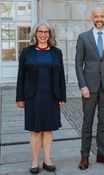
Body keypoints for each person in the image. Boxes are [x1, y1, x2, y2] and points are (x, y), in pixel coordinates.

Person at [16, 20, 66, 174]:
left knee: (48, 130)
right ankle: (35, 161)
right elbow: (21, 76)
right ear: (35, 34)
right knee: (36, 130)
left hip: (51, 95)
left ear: (50, 34)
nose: (43, 35)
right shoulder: (27, 52)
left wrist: (62, 96)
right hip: (33, 96)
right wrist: (20, 97)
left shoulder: (56, 52)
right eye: (40, 31)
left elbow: (61, 76)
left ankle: (47, 160)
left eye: (46, 32)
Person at [75, 6, 104, 170]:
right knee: (87, 123)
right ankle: (85, 155)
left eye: (102, 16)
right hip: (89, 87)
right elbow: (78, 64)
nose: (99, 19)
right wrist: (83, 85)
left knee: (103, 123)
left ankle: (101, 153)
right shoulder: (83, 37)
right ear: (92, 18)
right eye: (96, 16)